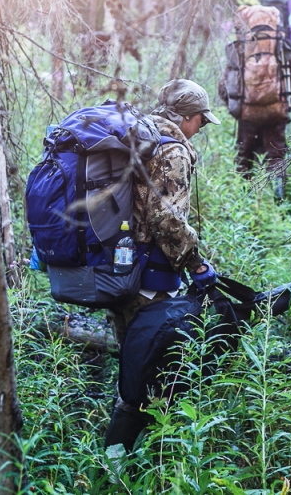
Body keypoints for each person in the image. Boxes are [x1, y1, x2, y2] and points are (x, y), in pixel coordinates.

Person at [104, 78, 220, 449]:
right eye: (201, 120)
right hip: (148, 280)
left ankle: (118, 462)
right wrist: (196, 264)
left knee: (132, 365)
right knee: (151, 373)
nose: (201, 127)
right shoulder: (172, 151)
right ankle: (138, 465)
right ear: (186, 117)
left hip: (118, 269)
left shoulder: (138, 135)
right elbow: (165, 219)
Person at [219, 0, 291, 199]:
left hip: (247, 112)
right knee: (276, 155)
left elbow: (225, 82)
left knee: (244, 156)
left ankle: (244, 198)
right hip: (276, 110)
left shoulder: (242, 47)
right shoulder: (278, 45)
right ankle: (278, 197)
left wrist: (231, 103)